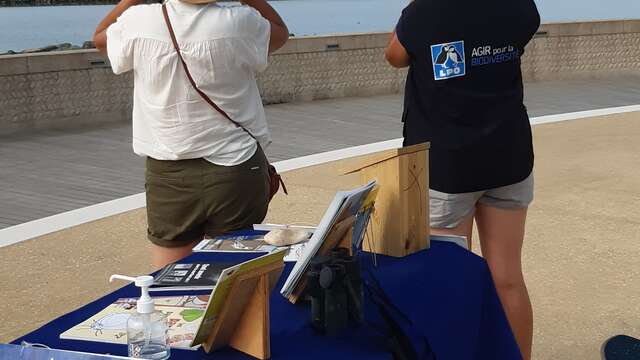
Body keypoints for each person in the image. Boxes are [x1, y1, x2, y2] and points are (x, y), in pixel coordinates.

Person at [384, 0, 540, 358]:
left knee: (449, 281)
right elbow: (521, 33)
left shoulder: (426, 10)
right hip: (508, 155)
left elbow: (395, 55)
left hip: (447, 166)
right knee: (509, 279)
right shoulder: (520, 5)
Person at [93, 0, 289, 269]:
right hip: (236, 168)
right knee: (235, 280)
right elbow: (280, 33)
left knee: (173, 285)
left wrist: (132, 1)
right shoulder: (239, 20)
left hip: (168, 173)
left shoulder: (139, 21)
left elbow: (100, 39)